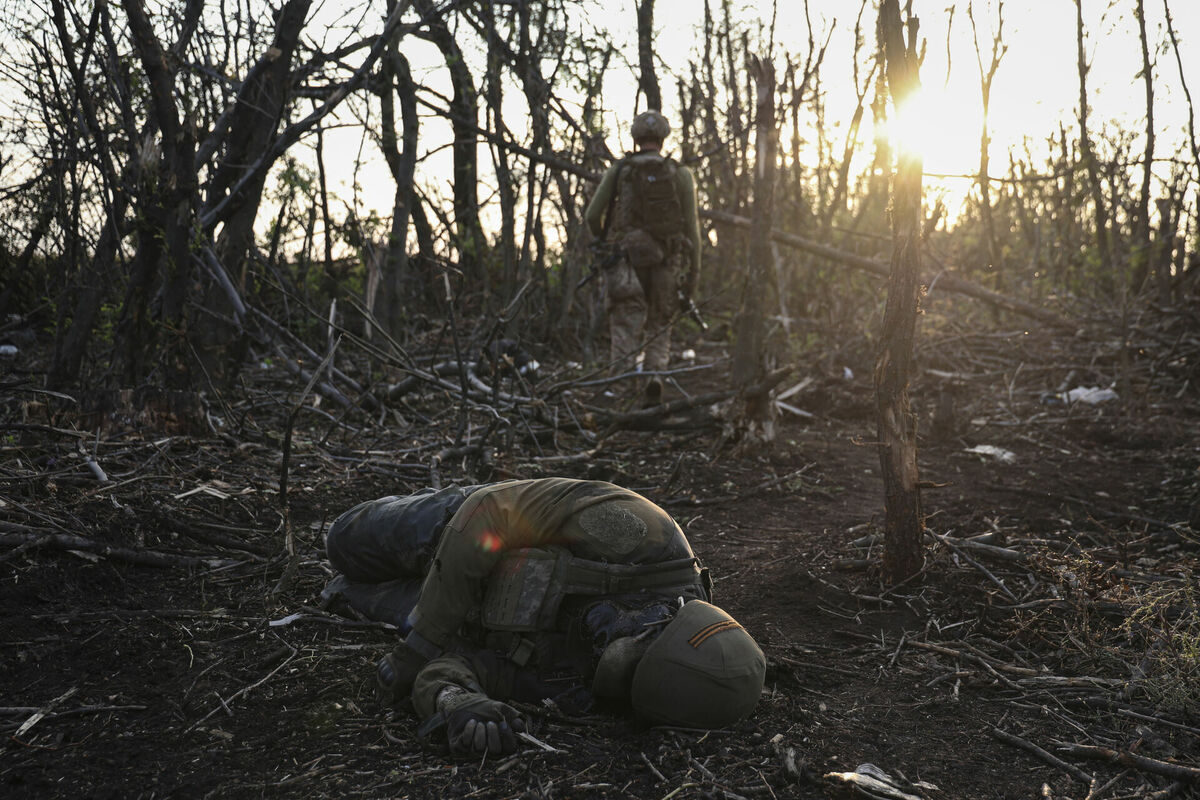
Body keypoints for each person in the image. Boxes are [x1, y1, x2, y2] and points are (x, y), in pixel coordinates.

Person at [323, 478, 765, 757]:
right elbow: (493, 510)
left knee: (340, 591)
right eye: (637, 633)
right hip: (462, 530)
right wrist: (421, 642)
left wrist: (458, 704)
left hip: (459, 612)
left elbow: (459, 668)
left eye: (620, 670)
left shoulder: (583, 687)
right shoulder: (645, 537)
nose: (605, 640)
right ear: (670, 613)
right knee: (341, 540)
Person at [584, 110, 703, 407]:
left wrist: (604, 240)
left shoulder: (620, 170)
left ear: (636, 139)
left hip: (626, 259)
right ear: (663, 139)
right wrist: (693, 276)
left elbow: (592, 215)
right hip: (667, 260)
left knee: (626, 323)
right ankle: (654, 378)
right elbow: (693, 231)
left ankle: (620, 393)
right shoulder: (680, 174)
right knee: (661, 323)